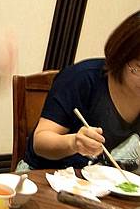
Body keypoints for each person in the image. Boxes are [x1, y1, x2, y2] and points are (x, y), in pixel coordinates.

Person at [22, 11, 140, 172]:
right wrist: (73, 143)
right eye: (139, 68)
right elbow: (40, 142)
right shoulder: (82, 79)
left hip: (108, 186)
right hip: (47, 177)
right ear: (122, 56)